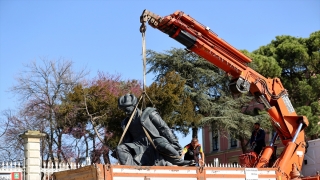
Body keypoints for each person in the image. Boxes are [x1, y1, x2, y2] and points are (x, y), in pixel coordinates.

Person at [115, 93, 195, 166]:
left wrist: (175, 143)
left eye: (127, 109)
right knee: (120, 148)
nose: (125, 112)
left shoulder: (148, 113)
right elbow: (127, 140)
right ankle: (131, 169)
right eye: (123, 110)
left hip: (153, 142)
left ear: (134, 105)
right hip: (137, 146)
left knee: (164, 145)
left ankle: (179, 161)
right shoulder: (125, 122)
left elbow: (164, 128)